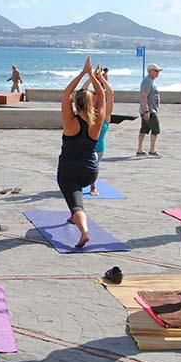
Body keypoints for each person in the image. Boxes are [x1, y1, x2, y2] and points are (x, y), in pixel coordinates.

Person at [57, 56, 106, 248]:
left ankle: (84, 231)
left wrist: (82, 73)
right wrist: (94, 77)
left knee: (76, 203)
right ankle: (73, 217)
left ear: (76, 104)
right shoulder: (97, 121)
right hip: (90, 172)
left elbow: (65, 94)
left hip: (69, 171)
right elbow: (102, 96)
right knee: (76, 195)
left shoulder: (70, 121)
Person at [87, 66, 113, 197]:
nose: (97, 100)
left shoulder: (106, 117)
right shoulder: (89, 114)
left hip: (99, 148)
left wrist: (101, 77)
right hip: (86, 146)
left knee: (94, 167)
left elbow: (110, 94)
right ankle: (87, 184)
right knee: (88, 167)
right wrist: (90, 76)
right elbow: (82, 91)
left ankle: (93, 186)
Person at [137, 63, 162, 157]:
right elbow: (144, 96)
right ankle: (152, 150)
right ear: (150, 71)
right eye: (156, 71)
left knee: (144, 129)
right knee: (156, 129)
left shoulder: (150, 81)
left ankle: (140, 150)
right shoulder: (147, 81)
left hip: (148, 110)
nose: (158, 73)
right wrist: (146, 111)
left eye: (158, 71)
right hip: (149, 111)